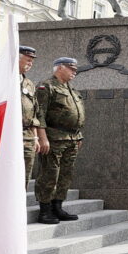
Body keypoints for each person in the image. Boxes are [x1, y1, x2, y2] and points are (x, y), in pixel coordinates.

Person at [35, 57, 85, 225]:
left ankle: (58, 206)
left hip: (72, 138)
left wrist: (79, 135)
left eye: (75, 69)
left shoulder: (71, 89)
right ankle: (45, 209)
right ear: (59, 68)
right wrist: (42, 138)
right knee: (50, 173)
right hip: (54, 137)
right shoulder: (46, 86)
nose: (74, 72)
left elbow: (76, 114)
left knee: (65, 174)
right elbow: (39, 114)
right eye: (71, 68)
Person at [19, 46, 42, 189]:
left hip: (27, 137)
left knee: (24, 177)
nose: (30, 64)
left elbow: (34, 113)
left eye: (32, 61)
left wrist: (35, 138)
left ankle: (18, 209)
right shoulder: (2, 79)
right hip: (6, 135)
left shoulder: (29, 84)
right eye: (28, 60)